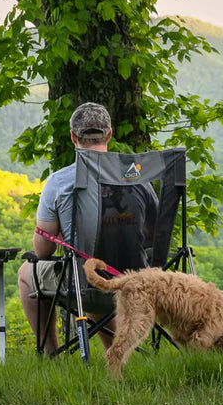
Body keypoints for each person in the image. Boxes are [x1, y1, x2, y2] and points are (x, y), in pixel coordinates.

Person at [16, 102, 156, 353]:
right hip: (138, 282)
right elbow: (152, 237)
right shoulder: (138, 179)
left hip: (87, 285)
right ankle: (117, 353)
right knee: (93, 271)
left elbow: (43, 251)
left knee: (27, 272)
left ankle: (50, 355)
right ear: (109, 135)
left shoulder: (59, 182)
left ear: (73, 137)